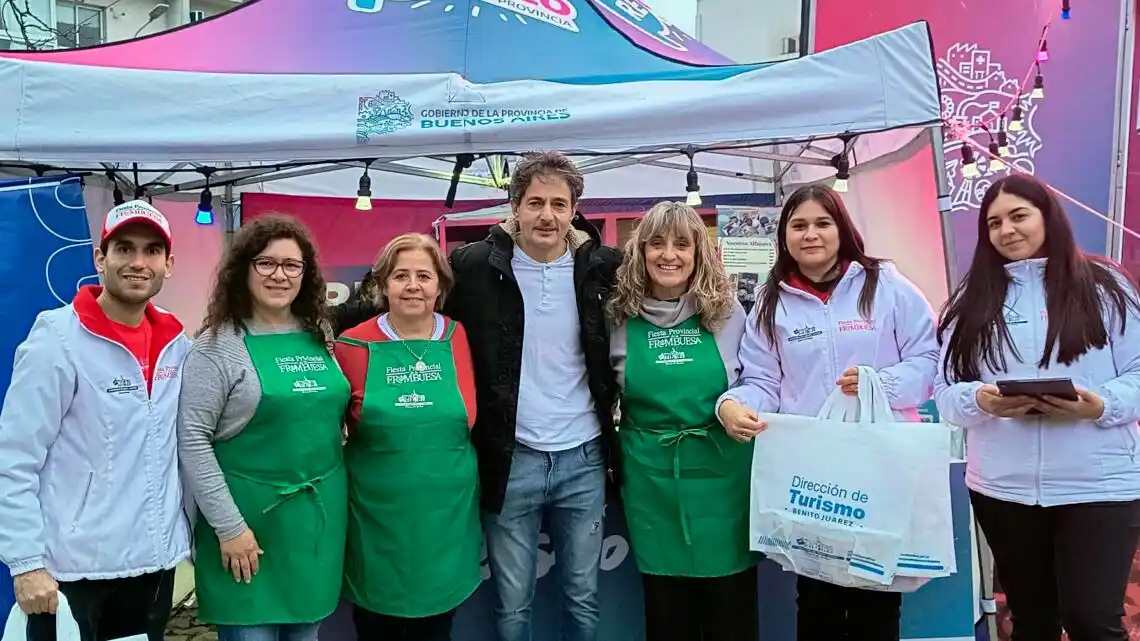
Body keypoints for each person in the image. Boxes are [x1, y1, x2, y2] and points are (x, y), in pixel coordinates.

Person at [717, 184, 938, 641]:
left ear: (843, 229)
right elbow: (763, 382)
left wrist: (882, 382)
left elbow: (930, 361)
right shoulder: (771, 303)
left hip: (880, 462)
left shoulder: (887, 286)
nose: (810, 234)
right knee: (816, 597)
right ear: (784, 237)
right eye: (798, 225)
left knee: (876, 595)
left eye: (822, 223)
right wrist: (732, 405)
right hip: (813, 471)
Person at [934, 174, 1140, 641]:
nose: (1006, 230)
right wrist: (980, 399)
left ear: (1048, 215)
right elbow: (946, 389)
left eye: (1018, 215)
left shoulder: (1106, 287)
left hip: (1099, 484)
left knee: (1093, 620)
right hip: (1003, 487)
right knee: (1031, 621)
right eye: (993, 222)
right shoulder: (971, 299)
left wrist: (1100, 406)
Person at [443, 150, 622, 641]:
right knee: (511, 606)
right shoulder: (474, 267)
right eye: (536, 202)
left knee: (583, 601)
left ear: (573, 211)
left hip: (583, 457)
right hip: (510, 456)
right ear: (515, 206)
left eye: (559, 204)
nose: (547, 215)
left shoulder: (603, 270)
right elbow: (407, 302)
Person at [0, 201, 189, 641]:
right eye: (124, 248)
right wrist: (26, 563)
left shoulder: (178, 343)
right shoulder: (59, 339)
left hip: (151, 566)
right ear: (100, 258)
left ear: (169, 264)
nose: (138, 262)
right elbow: (14, 458)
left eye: (152, 251)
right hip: (72, 572)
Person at [177, 214, 349, 641]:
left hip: (315, 526)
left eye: (292, 265)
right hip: (246, 528)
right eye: (267, 263)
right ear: (244, 270)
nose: (280, 275)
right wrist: (229, 528)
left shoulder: (319, 334)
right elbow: (193, 440)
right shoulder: (216, 346)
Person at [606, 202, 755, 641]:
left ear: (698, 253)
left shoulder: (728, 314)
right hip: (652, 477)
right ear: (640, 252)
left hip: (723, 475)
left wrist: (736, 406)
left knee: (732, 609)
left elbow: (759, 381)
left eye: (681, 244)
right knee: (667, 611)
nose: (668, 254)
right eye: (656, 243)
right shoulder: (617, 317)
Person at [333, 233, 481, 641]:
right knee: (377, 628)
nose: (413, 285)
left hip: (446, 520)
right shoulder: (352, 346)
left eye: (423, 275)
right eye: (401, 275)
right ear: (382, 284)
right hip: (378, 522)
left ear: (441, 286)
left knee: (438, 629)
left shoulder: (460, 338)